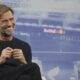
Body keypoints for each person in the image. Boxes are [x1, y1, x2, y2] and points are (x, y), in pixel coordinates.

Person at [0, 4, 42, 80]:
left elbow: (30, 73)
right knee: (33, 67)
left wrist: (23, 61)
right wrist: (1, 60)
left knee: (27, 75)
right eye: (5, 21)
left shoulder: (25, 46)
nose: (10, 24)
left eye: (11, 19)